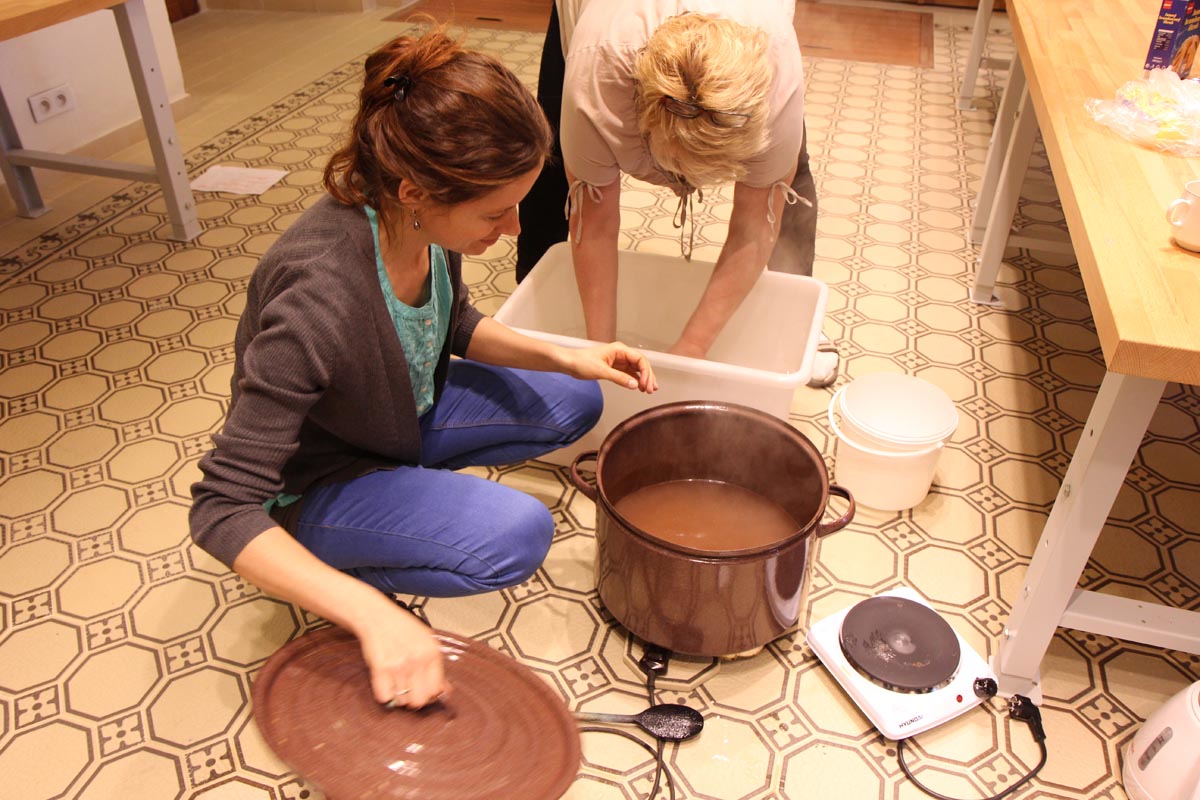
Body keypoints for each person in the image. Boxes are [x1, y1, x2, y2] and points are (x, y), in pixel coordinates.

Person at [189, 28, 657, 711]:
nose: (515, 227)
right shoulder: (318, 295)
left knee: (577, 395)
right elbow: (220, 507)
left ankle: (401, 490)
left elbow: (454, 320)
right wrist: (368, 613)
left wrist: (568, 354)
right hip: (318, 475)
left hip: (396, 416)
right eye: (495, 212)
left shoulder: (420, 219)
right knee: (515, 533)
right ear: (416, 191)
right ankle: (333, 554)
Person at [516, 0, 835, 382]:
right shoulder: (598, 74)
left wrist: (693, 347)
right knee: (551, 152)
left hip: (756, 47)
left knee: (784, 180)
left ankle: (800, 322)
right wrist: (602, 351)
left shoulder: (777, 75)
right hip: (606, 26)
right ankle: (532, 301)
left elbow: (754, 226)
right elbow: (595, 223)